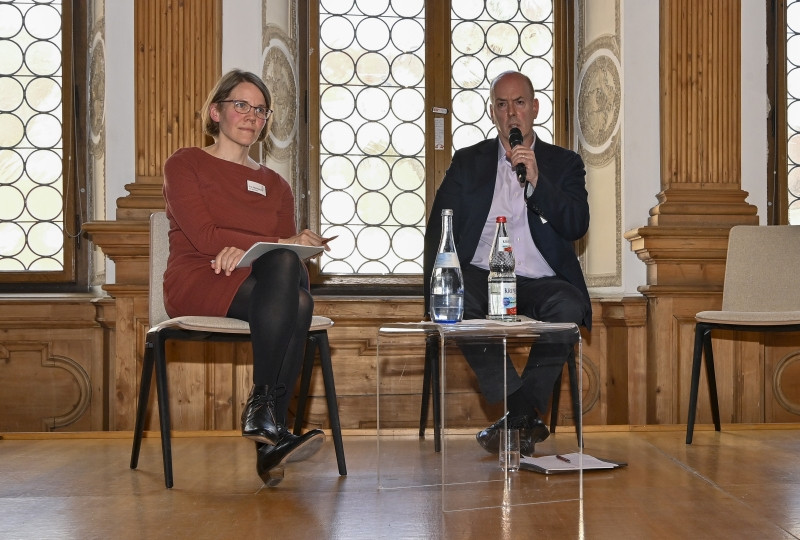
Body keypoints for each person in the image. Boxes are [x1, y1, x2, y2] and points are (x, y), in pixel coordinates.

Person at [162, 69, 333, 486]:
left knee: (292, 278)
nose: (251, 116)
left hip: (259, 284)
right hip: (199, 277)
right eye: (241, 105)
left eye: (260, 110)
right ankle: (270, 417)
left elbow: (282, 261)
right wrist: (275, 241)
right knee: (293, 285)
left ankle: (265, 421)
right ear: (215, 112)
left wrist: (261, 249)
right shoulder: (185, 163)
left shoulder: (276, 185)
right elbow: (205, 239)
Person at [423, 71, 591, 456]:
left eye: (518, 103)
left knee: (568, 305)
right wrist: (436, 287)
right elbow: (438, 228)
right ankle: (522, 413)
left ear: (534, 108)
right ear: (493, 112)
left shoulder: (564, 164)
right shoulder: (468, 162)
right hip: (483, 274)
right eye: (501, 104)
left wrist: (538, 182)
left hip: (538, 278)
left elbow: (576, 224)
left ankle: (515, 418)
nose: (510, 112)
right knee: (457, 298)